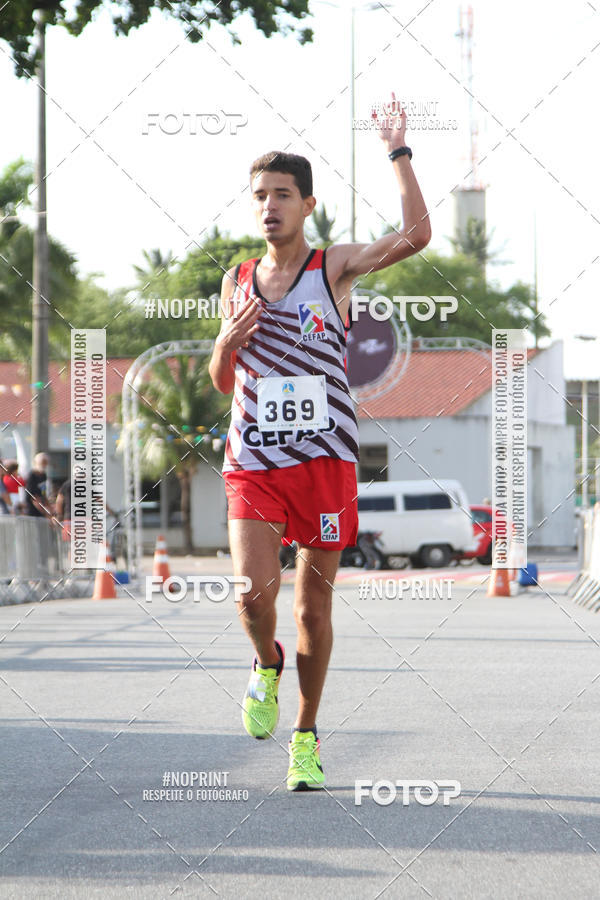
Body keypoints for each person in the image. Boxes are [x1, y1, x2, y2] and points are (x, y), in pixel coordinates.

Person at [208, 95, 431, 791]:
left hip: (325, 461)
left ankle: (305, 735)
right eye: (259, 197)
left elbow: (417, 235)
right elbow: (222, 381)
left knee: (313, 608)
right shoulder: (236, 281)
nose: (268, 206)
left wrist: (398, 151)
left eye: (282, 195)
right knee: (253, 595)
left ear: (307, 205)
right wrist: (224, 342)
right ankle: (264, 663)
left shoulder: (334, 269)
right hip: (253, 460)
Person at [24, 453, 53, 519]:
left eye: (46, 463)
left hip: (41, 507)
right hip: (32, 509)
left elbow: (43, 492)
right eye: (43, 462)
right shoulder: (31, 475)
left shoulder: (43, 475)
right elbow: (33, 497)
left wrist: (50, 508)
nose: (44, 465)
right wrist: (45, 513)